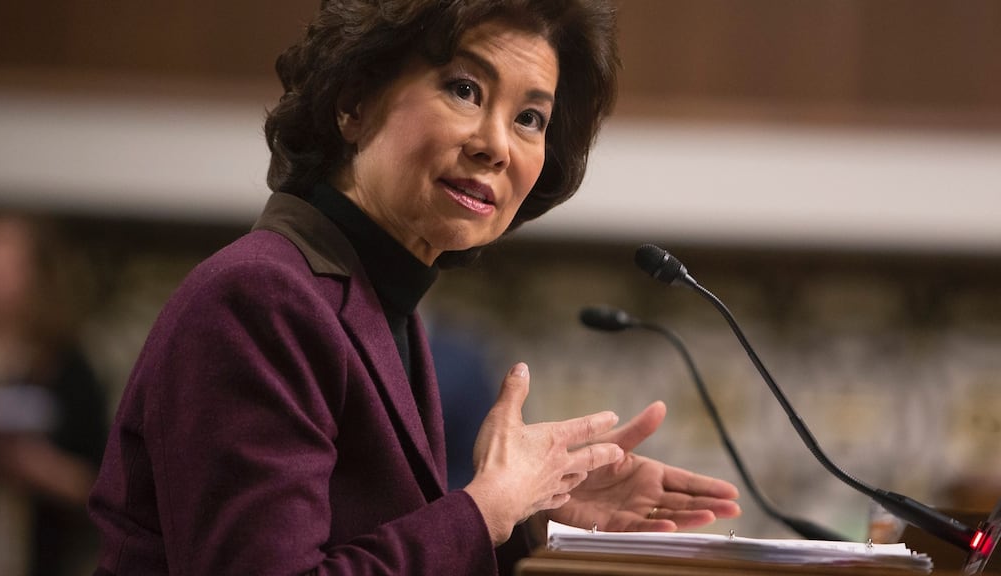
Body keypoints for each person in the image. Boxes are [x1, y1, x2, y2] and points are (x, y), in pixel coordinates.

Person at [88, 1, 742, 574]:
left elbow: (362, 548)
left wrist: (527, 519)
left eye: (531, 119)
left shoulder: (375, 304)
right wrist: (486, 507)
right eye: (464, 89)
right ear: (353, 101)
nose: (496, 146)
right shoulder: (259, 299)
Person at [0, 212, 110, 576]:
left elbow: (101, 485)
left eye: (9, 263)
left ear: (38, 272)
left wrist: (35, 466)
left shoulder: (66, 365)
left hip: (38, 554)